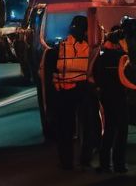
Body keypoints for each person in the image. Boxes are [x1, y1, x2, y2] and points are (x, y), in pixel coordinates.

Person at [41, 15, 96, 170]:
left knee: (65, 129)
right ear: (86, 30)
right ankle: (85, 159)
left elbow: (48, 75)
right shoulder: (90, 48)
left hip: (64, 92)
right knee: (87, 127)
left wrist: (51, 101)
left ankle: (67, 162)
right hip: (83, 90)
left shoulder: (60, 48)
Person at [92, 25, 129, 174]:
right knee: (122, 131)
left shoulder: (101, 57)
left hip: (107, 97)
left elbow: (97, 76)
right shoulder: (123, 57)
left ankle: (104, 163)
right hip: (120, 96)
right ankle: (119, 164)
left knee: (109, 130)